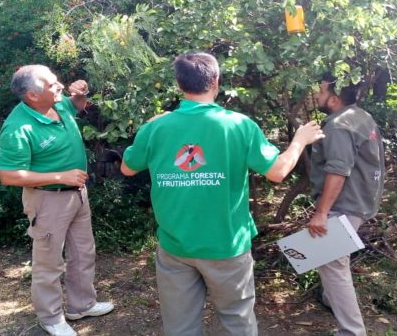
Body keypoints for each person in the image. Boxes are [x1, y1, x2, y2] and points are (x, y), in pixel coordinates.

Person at [120, 52, 324, 336]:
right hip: (226, 245)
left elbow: (127, 168)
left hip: (175, 245)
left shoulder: (156, 127)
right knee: (237, 321)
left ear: (179, 84)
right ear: (216, 81)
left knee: (180, 327)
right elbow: (277, 172)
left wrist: (148, 125)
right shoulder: (239, 125)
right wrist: (300, 140)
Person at [0, 65, 114, 336]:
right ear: (32, 95)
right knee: (49, 263)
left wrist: (81, 93)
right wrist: (61, 176)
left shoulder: (58, 104)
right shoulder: (18, 128)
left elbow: (76, 106)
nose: (59, 85)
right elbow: (9, 175)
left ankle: (81, 305)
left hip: (77, 194)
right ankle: (51, 319)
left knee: (83, 252)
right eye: (52, 84)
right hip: (47, 200)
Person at [307, 74, 385, 336]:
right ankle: (330, 299)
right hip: (361, 199)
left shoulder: (339, 125)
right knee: (330, 259)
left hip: (345, 203)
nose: (317, 95)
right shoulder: (360, 116)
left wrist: (321, 213)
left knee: (331, 262)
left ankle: (352, 332)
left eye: (321, 91)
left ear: (334, 98)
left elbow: (338, 171)